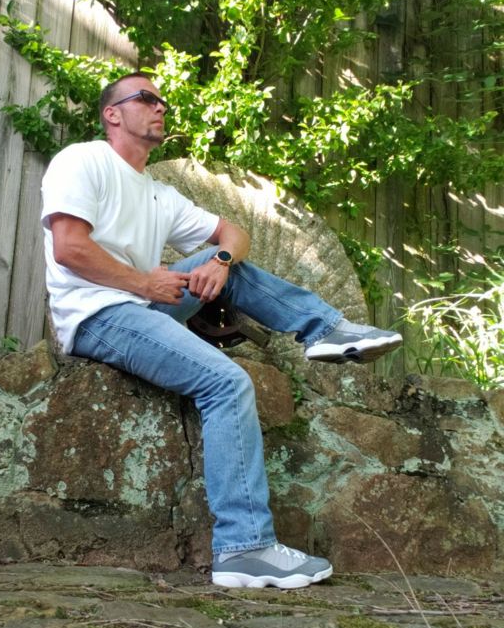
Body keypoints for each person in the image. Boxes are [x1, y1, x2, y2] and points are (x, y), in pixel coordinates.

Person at [41, 72, 402, 589]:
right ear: (112, 114)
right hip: (98, 316)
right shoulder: (83, 161)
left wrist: (222, 261)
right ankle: (244, 547)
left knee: (226, 266)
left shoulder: (159, 194)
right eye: (146, 98)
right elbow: (70, 248)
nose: (160, 106)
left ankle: (325, 330)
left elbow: (235, 233)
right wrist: (144, 282)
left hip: (144, 305)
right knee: (227, 383)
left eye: (162, 101)